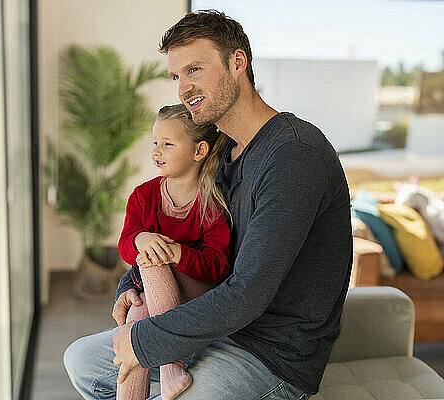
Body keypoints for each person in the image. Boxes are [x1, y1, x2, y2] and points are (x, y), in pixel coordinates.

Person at [65, 10, 352, 400]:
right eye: (176, 76)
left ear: (238, 63)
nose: (183, 88)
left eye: (195, 69)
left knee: (135, 354)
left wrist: (145, 341)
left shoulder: (293, 155)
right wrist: (127, 288)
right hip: (213, 322)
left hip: (269, 354)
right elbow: (176, 239)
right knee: (81, 360)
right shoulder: (223, 157)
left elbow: (248, 293)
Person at [116, 104, 230, 400]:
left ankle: (171, 364)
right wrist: (141, 238)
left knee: (152, 262)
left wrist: (177, 253)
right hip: (156, 296)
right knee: (136, 321)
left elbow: (218, 267)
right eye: (155, 142)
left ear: (199, 151)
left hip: (197, 298)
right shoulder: (143, 196)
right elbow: (126, 245)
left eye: (168, 144)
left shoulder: (211, 205)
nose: (157, 151)